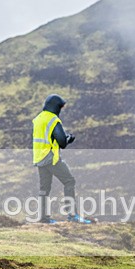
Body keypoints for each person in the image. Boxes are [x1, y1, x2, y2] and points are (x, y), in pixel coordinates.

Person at [32, 94, 92, 224]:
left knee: (44, 188)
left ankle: (43, 218)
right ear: (55, 107)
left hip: (39, 158)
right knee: (69, 181)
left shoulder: (38, 119)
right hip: (51, 158)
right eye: (60, 107)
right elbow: (62, 142)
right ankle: (72, 216)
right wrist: (69, 139)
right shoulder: (53, 120)